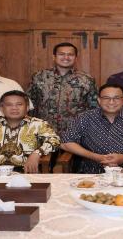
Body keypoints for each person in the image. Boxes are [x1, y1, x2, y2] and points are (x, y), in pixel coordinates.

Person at [27, 42, 98, 172]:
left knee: (75, 172)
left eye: (70, 54)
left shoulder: (86, 79)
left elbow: (94, 109)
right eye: (61, 54)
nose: (66, 57)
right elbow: (30, 105)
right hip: (44, 134)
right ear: (54, 56)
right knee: (43, 173)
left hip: (76, 136)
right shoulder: (39, 76)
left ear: (76, 58)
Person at [61, 83, 123, 174]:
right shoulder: (84, 117)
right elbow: (66, 143)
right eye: (106, 98)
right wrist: (96, 157)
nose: (111, 102)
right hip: (92, 172)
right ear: (99, 100)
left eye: (116, 98)